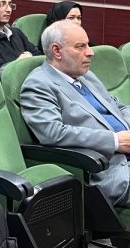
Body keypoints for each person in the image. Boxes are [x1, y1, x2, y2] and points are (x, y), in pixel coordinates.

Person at [21, 20, 130, 206]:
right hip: (108, 169)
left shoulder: (86, 75)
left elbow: (117, 106)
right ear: (57, 51)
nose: (90, 52)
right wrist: (115, 141)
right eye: (81, 46)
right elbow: (53, 132)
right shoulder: (38, 84)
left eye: (88, 45)